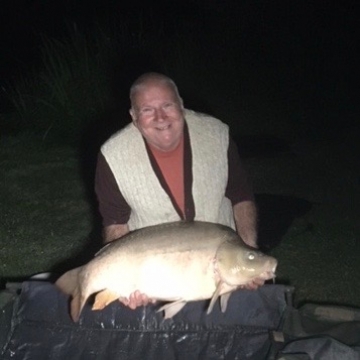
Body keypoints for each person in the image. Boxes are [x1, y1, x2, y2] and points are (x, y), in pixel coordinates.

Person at [95, 72, 264, 309]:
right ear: (134, 117)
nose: (160, 117)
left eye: (167, 105)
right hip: (157, 273)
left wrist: (248, 251)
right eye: (147, 110)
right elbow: (115, 224)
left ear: (181, 105)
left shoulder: (216, 134)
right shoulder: (112, 155)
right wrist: (125, 283)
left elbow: (241, 195)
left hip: (220, 265)